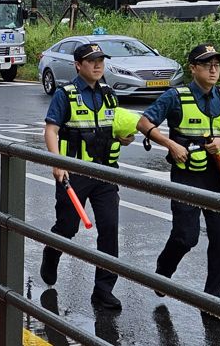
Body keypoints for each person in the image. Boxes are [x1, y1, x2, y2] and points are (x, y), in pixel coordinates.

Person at [137, 43, 220, 301]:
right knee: (186, 237)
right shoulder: (175, 97)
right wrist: (171, 144)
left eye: (217, 64)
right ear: (193, 68)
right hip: (188, 175)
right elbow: (144, 123)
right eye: (207, 64)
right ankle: (163, 272)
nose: (213, 69)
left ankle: (214, 298)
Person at [41, 43, 135, 311]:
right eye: (91, 61)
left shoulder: (109, 94)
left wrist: (124, 138)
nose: (97, 65)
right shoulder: (66, 94)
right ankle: (52, 250)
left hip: (105, 173)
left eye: (100, 61)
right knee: (67, 228)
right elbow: (51, 130)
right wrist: (56, 161)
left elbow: (114, 129)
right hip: (75, 173)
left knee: (109, 230)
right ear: (78, 65)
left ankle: (103, 290)